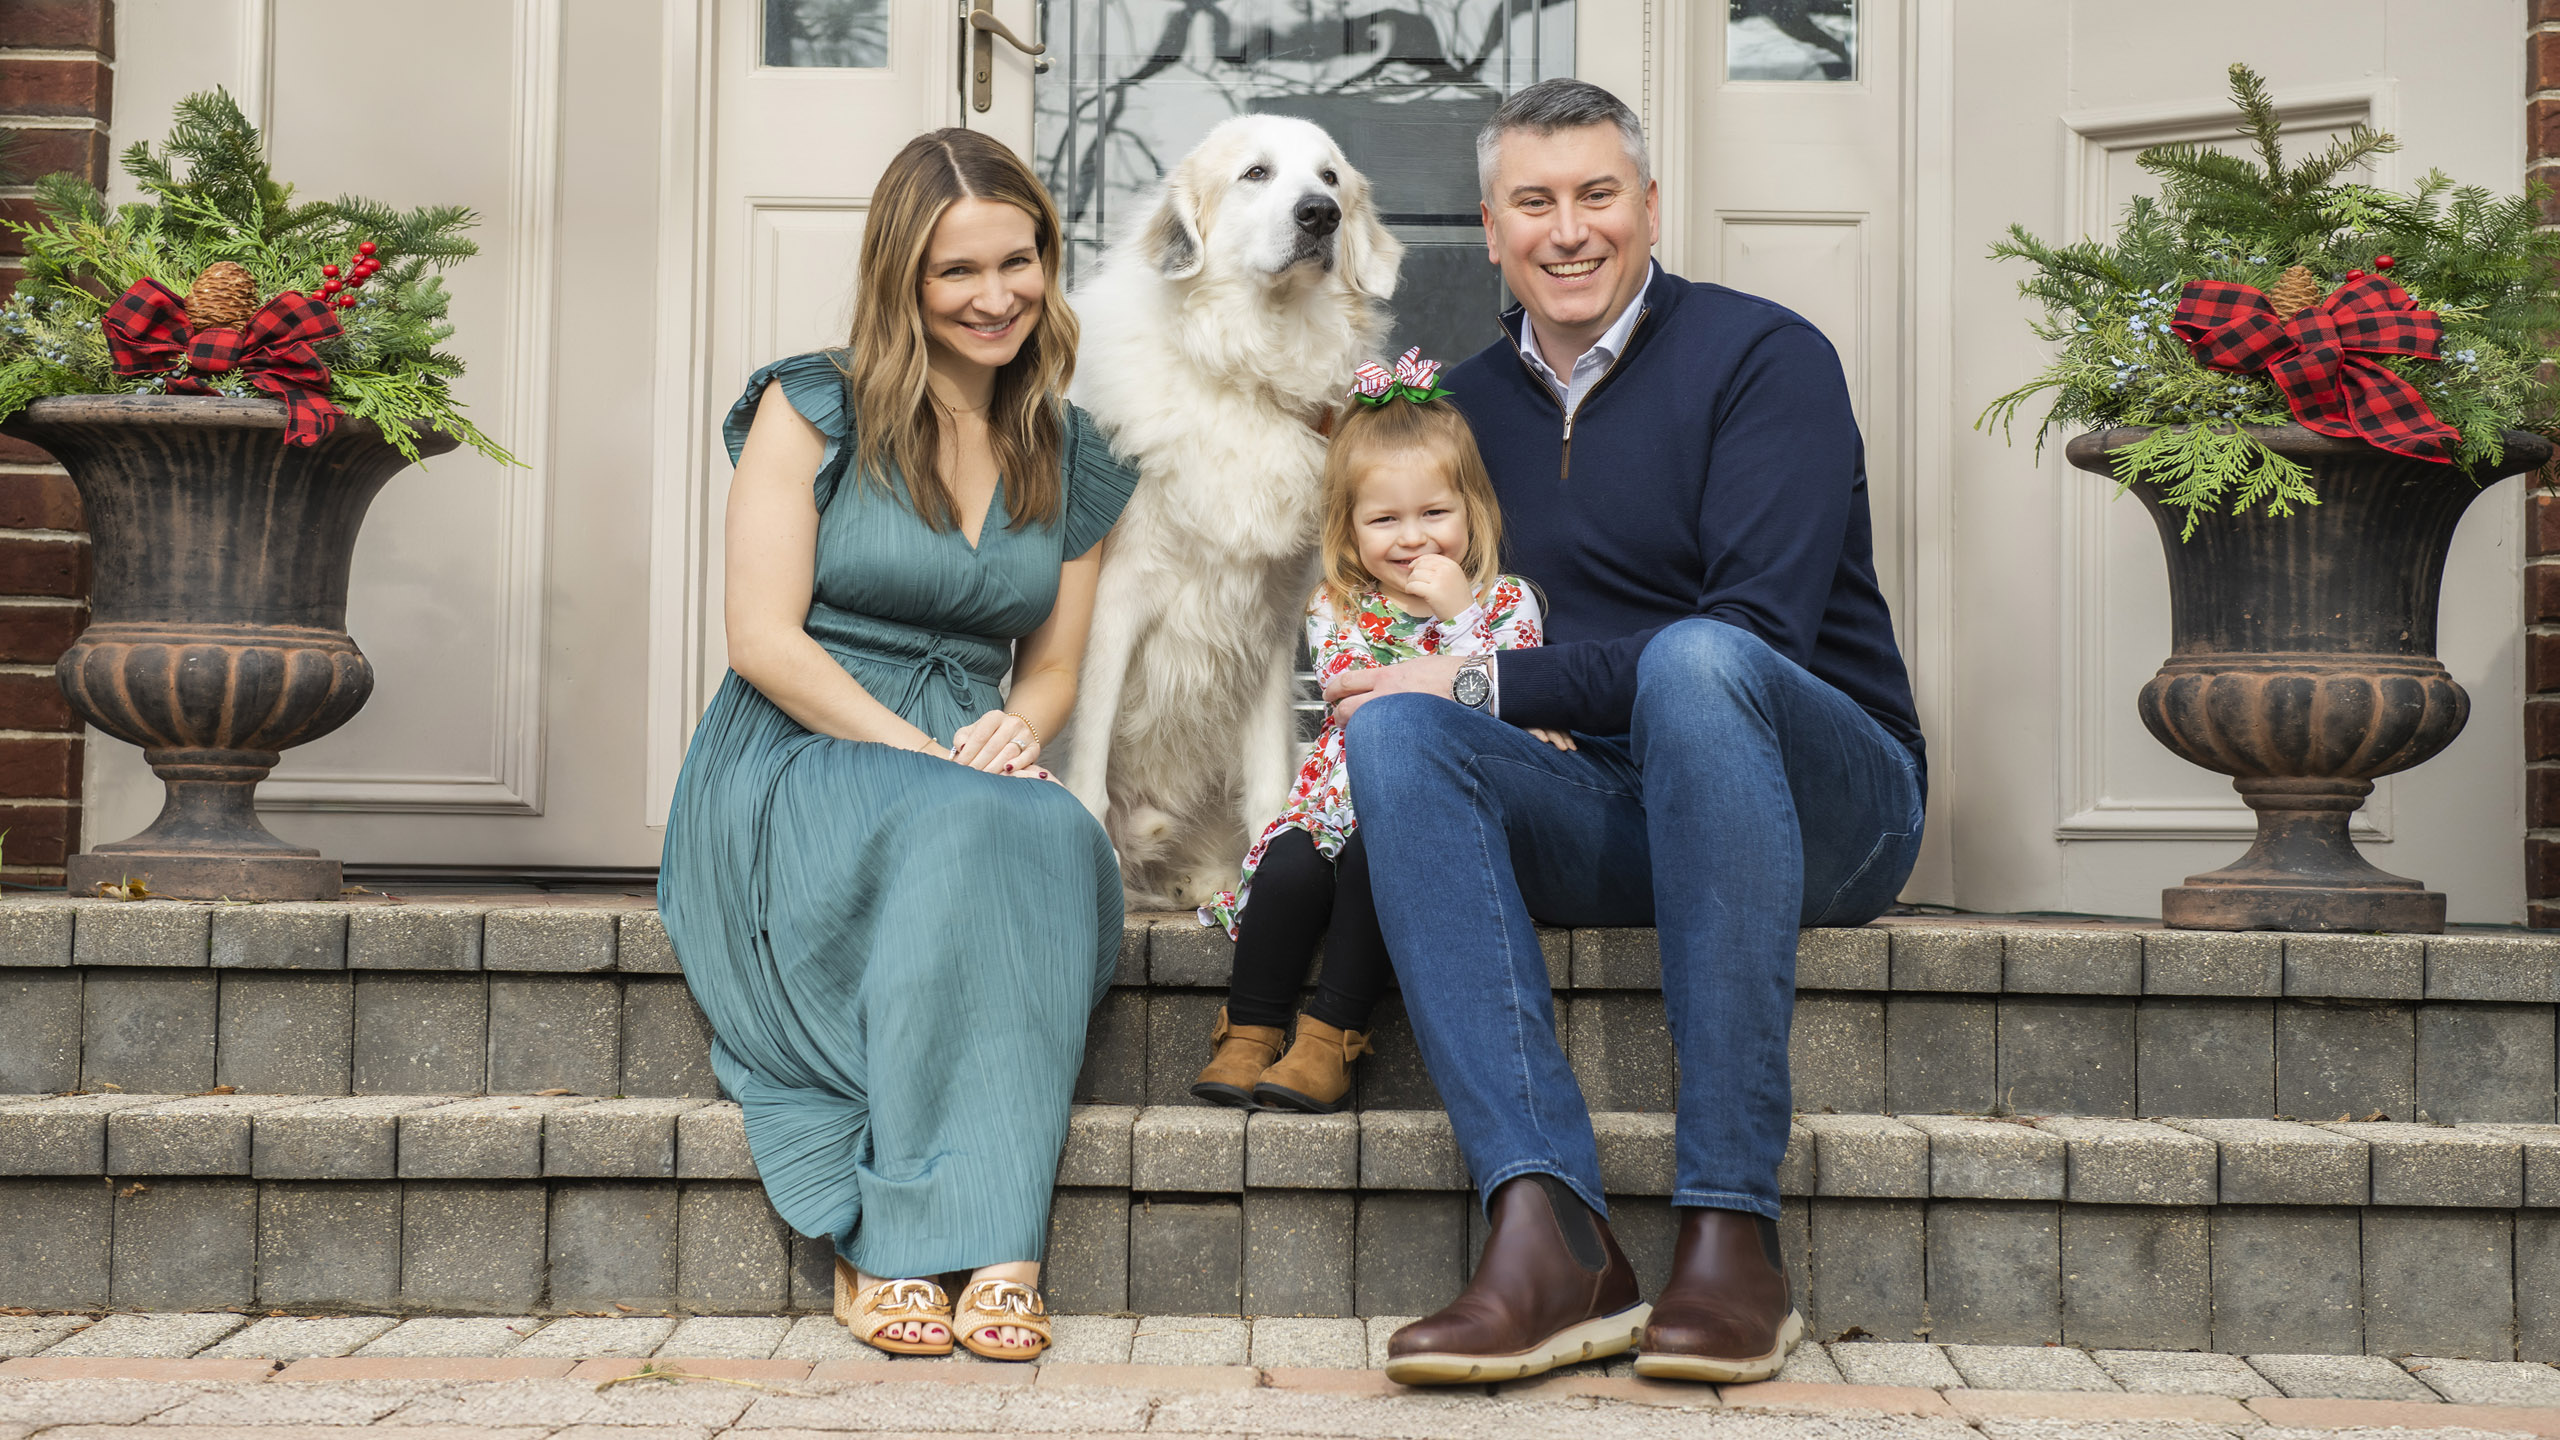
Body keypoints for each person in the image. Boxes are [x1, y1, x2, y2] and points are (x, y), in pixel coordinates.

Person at [1327, 80, 1926, 1385]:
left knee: (1698, 661)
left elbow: (1756, 636)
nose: (1569, 231)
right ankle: (1549, 1237)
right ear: (1491, 227)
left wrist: (1483, 684)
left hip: (1825, 801)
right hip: (1610, 802)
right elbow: (1406, 618)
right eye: (1534, 202)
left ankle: (1732, 1234)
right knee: (1397, 732)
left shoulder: (1765, 358)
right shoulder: (1458, 409)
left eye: (1598, 195)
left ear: (1649, 206)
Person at [657, 129, 1136, 1363]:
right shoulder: (808, 406)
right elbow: (763, 641)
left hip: (967, 763)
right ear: (902, 279)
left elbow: (1054, 668)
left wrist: (1016, 730)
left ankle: (1005, 1249)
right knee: (979, 815)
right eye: (955, 271)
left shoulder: (1075, 452)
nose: (994, 297)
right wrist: (923, 756)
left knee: (1049, 825)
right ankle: (898, 1240)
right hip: (798, 749)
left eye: (1017, 262)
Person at [1189, 360, 1553, 1115]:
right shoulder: (1337, 607)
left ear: (1472, 509)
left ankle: (1330, 1038)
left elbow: (1508, 696)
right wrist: (1456, 658)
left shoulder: (1507, 603)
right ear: (1349, 529)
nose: (1413, 538)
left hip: (1426, 806)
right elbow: (1355, 700)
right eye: (1385, 520)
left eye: (1435, 513)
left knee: (1376, 861)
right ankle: (1249, 1031)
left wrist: (1459, 615)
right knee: (1290, 866)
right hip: (1334, 798)